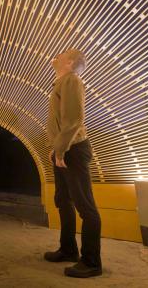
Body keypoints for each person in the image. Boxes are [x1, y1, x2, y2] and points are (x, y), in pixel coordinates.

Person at [43, 48, 102, 278]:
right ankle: (68, 249)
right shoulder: (61, 82)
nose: (55, 56)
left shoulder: (71, 81)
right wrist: (55, 149)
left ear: (69, 62)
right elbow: (61, 121)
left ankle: (92, 262)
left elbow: (74, 119)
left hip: (73, 150)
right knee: (63, 200)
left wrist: (61, 151)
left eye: (61, 55)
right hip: (64, 149)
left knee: (85, 207)